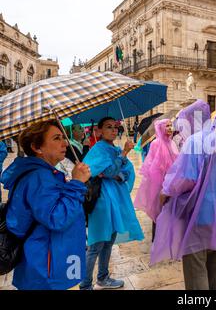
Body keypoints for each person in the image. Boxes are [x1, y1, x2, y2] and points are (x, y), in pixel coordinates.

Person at [151, 100, 216, 290]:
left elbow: (185, 178)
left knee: (196, 265)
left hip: (199, 213)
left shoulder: (194, 141)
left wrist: (165, 191)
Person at [1, 120, 91, 290]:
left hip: (52, 261)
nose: (65, 143)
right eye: (57, 138)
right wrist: (77, 183)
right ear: (37, 147)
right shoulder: (39, 177)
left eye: (63, 137)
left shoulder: (44, 174)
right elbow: (57, 218)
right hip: (49, 270)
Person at [80, 117, 144, 290]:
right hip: (102, 200)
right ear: (99, 131)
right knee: (96, 243)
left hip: (115, 199)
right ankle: (85, 284)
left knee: (109, 240)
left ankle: (103, 277)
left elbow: (126, 171)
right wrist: (122, 156)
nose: (114, 130)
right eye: (109, 127)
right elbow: (108, 171)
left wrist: (117, 172)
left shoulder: (113, 148)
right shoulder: (99, 149)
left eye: (115, 127)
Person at [134, 119, 179, 242]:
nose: (170, 128)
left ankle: (169, 237)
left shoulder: (173, 143)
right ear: (161, 128)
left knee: (171, 210)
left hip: (172, 184)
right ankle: (157, 239)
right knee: (158, 211)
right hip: (159, 184)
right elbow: (150, 164)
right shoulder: (156, 144)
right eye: (167, 126)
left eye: (171, 125)